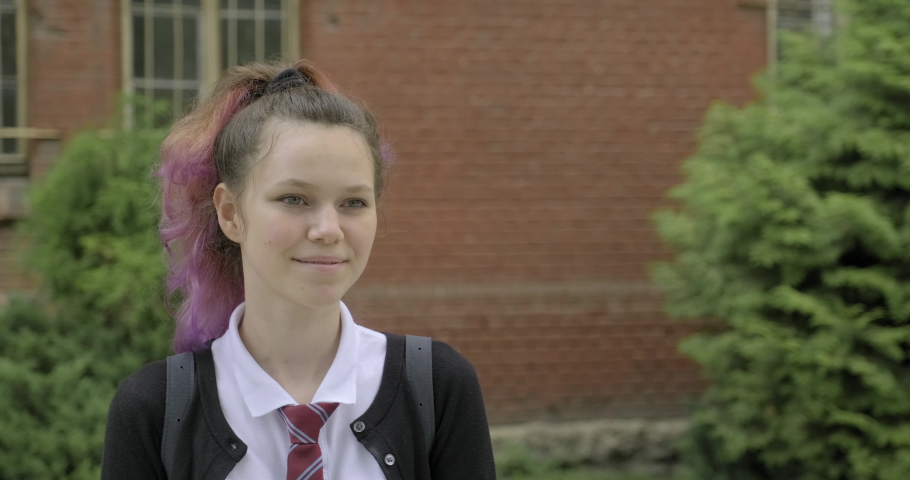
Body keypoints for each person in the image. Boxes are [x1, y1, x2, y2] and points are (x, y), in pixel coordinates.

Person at [101, 60, 496, 480]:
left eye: (353, 202)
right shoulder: (154, 411)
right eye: (294, 199)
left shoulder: (437, 389)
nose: (328, 229)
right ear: (231, 214)